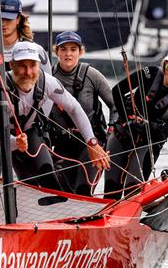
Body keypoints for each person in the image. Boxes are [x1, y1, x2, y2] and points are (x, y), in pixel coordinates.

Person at [0, 41, 110, 194]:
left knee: (48, 178)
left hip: (27, 132)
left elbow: (74, 108)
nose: (28, 72)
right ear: (12, 65)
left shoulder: (47, 82)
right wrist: (15, 143)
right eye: (22, 65)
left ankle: (56, 213)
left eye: (32, 65)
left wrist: (92, 142)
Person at [104, 45, 168, 199]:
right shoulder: (148, 73)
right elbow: (117, 90)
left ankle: (128, 217)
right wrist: (127, 118)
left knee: (132, 190)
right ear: (164, 64)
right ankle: (106, 218)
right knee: (111, 188)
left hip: (147, 146)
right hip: (122, 136)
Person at [49, 31, 117, 195]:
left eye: (73, 49)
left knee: (82, 190)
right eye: (63, 49)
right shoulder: (47, 77)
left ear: (81, 52)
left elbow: (116, 106)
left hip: (92, 145)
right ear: (56, 52)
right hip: (62, 144)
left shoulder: (92, 75)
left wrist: (111, 132)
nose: (68, 54)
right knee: (60, 191)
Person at [0, 0, 51, 74]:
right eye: (0, 18)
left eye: (8, 18)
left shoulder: (37, 51)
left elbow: (47, 83)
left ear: (18, 19)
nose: (3, 23)